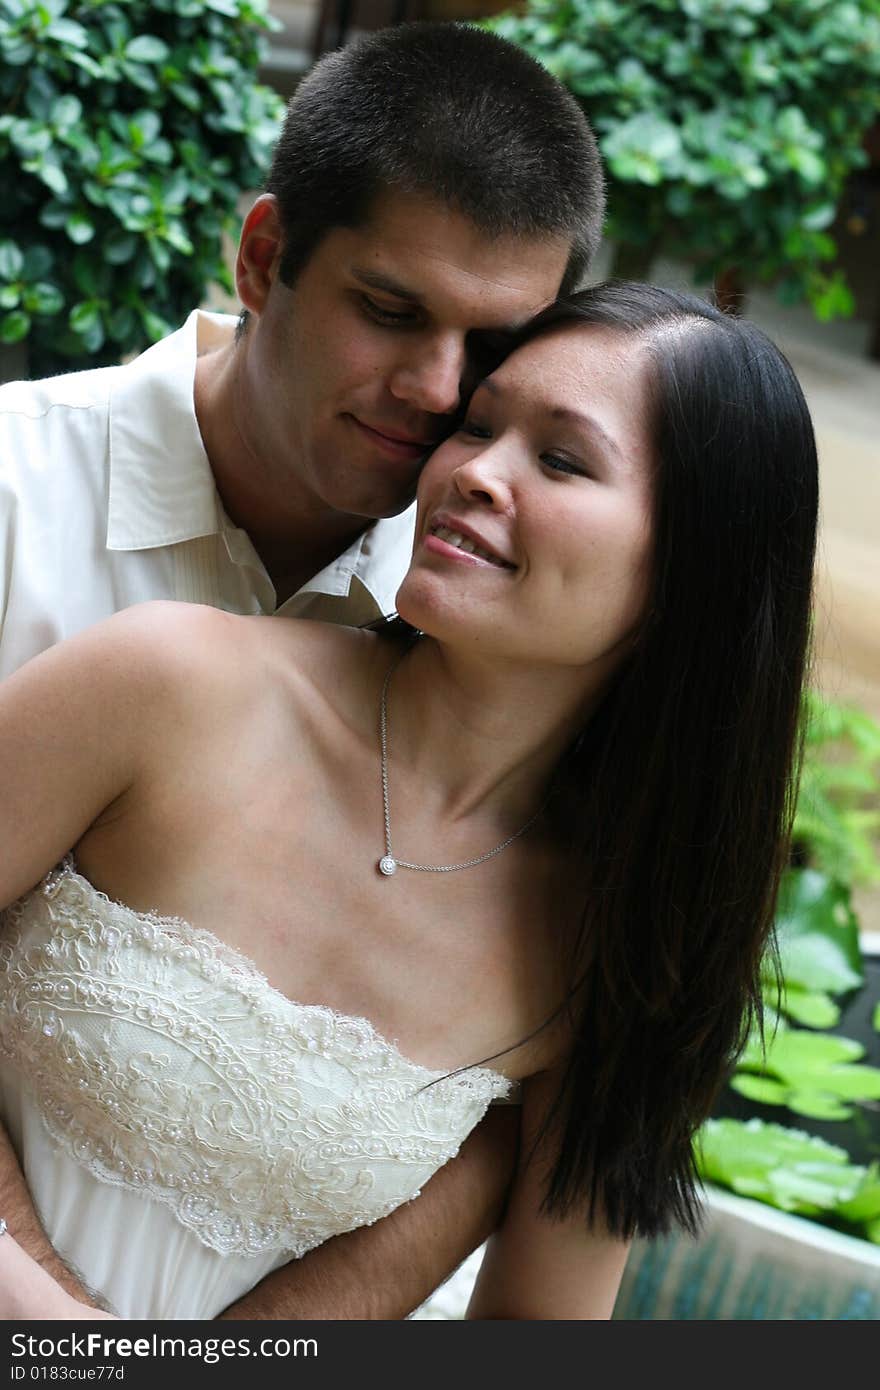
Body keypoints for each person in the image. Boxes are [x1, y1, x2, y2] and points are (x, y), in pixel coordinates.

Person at [0, 283, 818, 1319]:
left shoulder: (609, 942)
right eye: (478, 427)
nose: (474, 472)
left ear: (692, 569)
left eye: (560, 459)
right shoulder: (170, 683)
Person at [0, 22, 604, 1316]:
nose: (437, 390)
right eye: (391, 311)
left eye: (494, 350)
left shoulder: (486, 603)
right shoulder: (11, 493)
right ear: (265, 256)